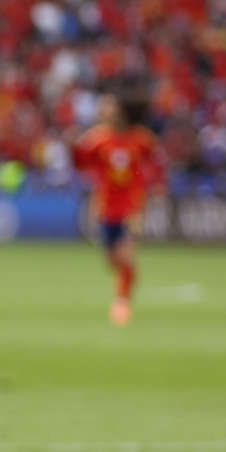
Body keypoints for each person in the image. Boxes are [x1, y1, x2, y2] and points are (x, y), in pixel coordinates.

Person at [73, 79, 163, 326]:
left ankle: (121, 303)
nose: (105, 112)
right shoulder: (97, 139)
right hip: (105, 207)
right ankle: (122, 286)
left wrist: (156, 187)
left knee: (126, 254)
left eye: (110, 107)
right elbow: (80, 163)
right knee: (111, 259)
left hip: (132, 206)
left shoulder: (141, 138)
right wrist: (75, 143)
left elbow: (157, 163)